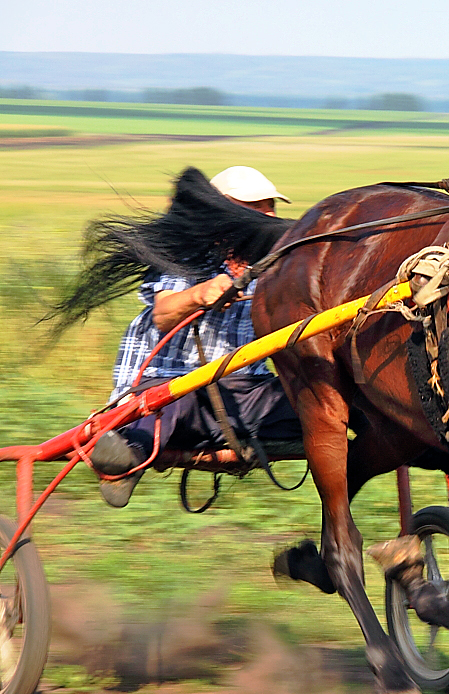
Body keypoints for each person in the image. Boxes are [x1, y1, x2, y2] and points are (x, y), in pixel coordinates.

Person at [87, 166, 303, 507]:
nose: (269, 217)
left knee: (322, 400)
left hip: (244, 395)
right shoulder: (183, 255)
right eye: (257, 208)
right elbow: (162, 314)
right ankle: (125, 458)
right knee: (172, 402)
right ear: (221, 210)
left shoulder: (272, 268)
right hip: (170, 385)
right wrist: (200, 294)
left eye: (271, 207)